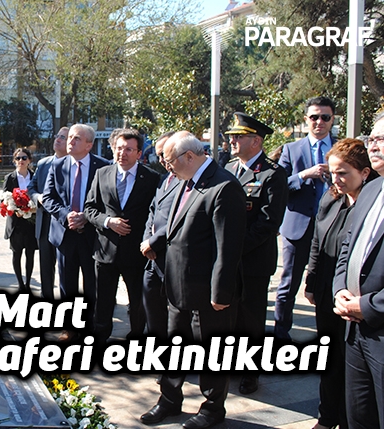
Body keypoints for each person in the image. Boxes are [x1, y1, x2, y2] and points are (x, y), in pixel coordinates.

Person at [140, 131, 245, 429]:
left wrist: (221, 293)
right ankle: (169, 399)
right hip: (177, 285)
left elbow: (228, 247)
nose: (166, 166)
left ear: (189, 156)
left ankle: (212, 408)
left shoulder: (223, 186)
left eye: (170, 160)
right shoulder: (184, 181)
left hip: (208, 292)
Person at [305, 139, 372, 429]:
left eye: (343, 173)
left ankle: (346, 420)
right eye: (333, 172)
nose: (336, 179)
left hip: (353, 300)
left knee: (352, 368)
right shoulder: (331, 198)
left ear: (364, 173)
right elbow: (317, 241)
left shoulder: (372, 205)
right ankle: (327, 416)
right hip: (326, 293)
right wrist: (311, 280)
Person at [224, 113, 289, 395]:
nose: (232, 141)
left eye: (238, 137)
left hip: (253, 260)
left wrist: (234, 248)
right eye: (231, 137)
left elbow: (268, 223)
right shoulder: (228, 168)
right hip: (228, 260)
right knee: (228, 314)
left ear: (256, 141)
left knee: (250, 318)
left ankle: (250, 372)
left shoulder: (272, 174)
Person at [85, 128, 160, 343]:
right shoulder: (102, 174)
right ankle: (100, 337)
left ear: (139, 153)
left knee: (137, 300)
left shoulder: (152, 178)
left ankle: (136, 335)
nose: (122, 153)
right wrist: (108, 221)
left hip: (136, 252)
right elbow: (90, 208)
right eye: (119, 148)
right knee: (103, 299)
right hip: (106, 250)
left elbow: (156, 214)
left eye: (128, 149)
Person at [332, 115, 384, 429]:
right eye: (372, 138)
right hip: (355, 331)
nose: (373, 146)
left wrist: (366, 306)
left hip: (378, 325)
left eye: (382, 139)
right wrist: (340, 289)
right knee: (359, 416)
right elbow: (348, 248)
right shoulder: (372, 189)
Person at [275, 96, 337, 341]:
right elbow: (279, 185)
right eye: (314, 117)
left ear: (332, 120)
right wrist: (303, 175)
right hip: (298, 225)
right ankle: (281, 334)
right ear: (306, 119)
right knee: (288, 284)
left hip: (332, 226)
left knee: (329, 282)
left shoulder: (340, 148)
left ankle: (330, 335)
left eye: (325, 117)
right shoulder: (292, 149)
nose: (319, 122)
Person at [43, 123, 110, 339]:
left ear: (89, 145)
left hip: (92, 236)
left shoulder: (103, 167)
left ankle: (89, 327)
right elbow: (48, 198)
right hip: (65, 235)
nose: (70, 141)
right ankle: (70, 328)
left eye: (76, 138)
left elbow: (108, 202)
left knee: (92, 284)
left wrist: (87, 218)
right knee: (67, 285)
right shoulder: (57, 165)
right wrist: (66, 215)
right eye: (69, 137)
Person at [139, 131, 177, 341]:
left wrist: (154, 242)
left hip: (171, 257)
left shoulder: (187, 181)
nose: (161, 160)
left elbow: (178, 219)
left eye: (164, 154)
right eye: (159, 155)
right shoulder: (165, 179)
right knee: (152, 309)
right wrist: (147, 240)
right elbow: (152, 212)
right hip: (152, 258)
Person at [28, 128, 69, 299]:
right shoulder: (44, 163)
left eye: (63, 137)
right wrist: (38, 197)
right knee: (45, 265)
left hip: (65, 225)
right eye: (57, 136)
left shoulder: (75, 165)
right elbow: (31, 187)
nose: (57, 139)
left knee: (67, 268)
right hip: (44, 222)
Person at [2, 147, 38, 292]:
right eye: (18, 158)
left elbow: (39, 195)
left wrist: (32, 208)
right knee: (17, 254)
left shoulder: (35, 176)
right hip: (16, 222)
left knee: (30, 254)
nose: (21, 161)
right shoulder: (10, 178)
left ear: (29, 160)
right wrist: (14, 208)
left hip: (31, 221)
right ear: (14, 161)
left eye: (24, 158)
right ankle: (20, 284)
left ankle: (28, 283)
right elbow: (4, 198)